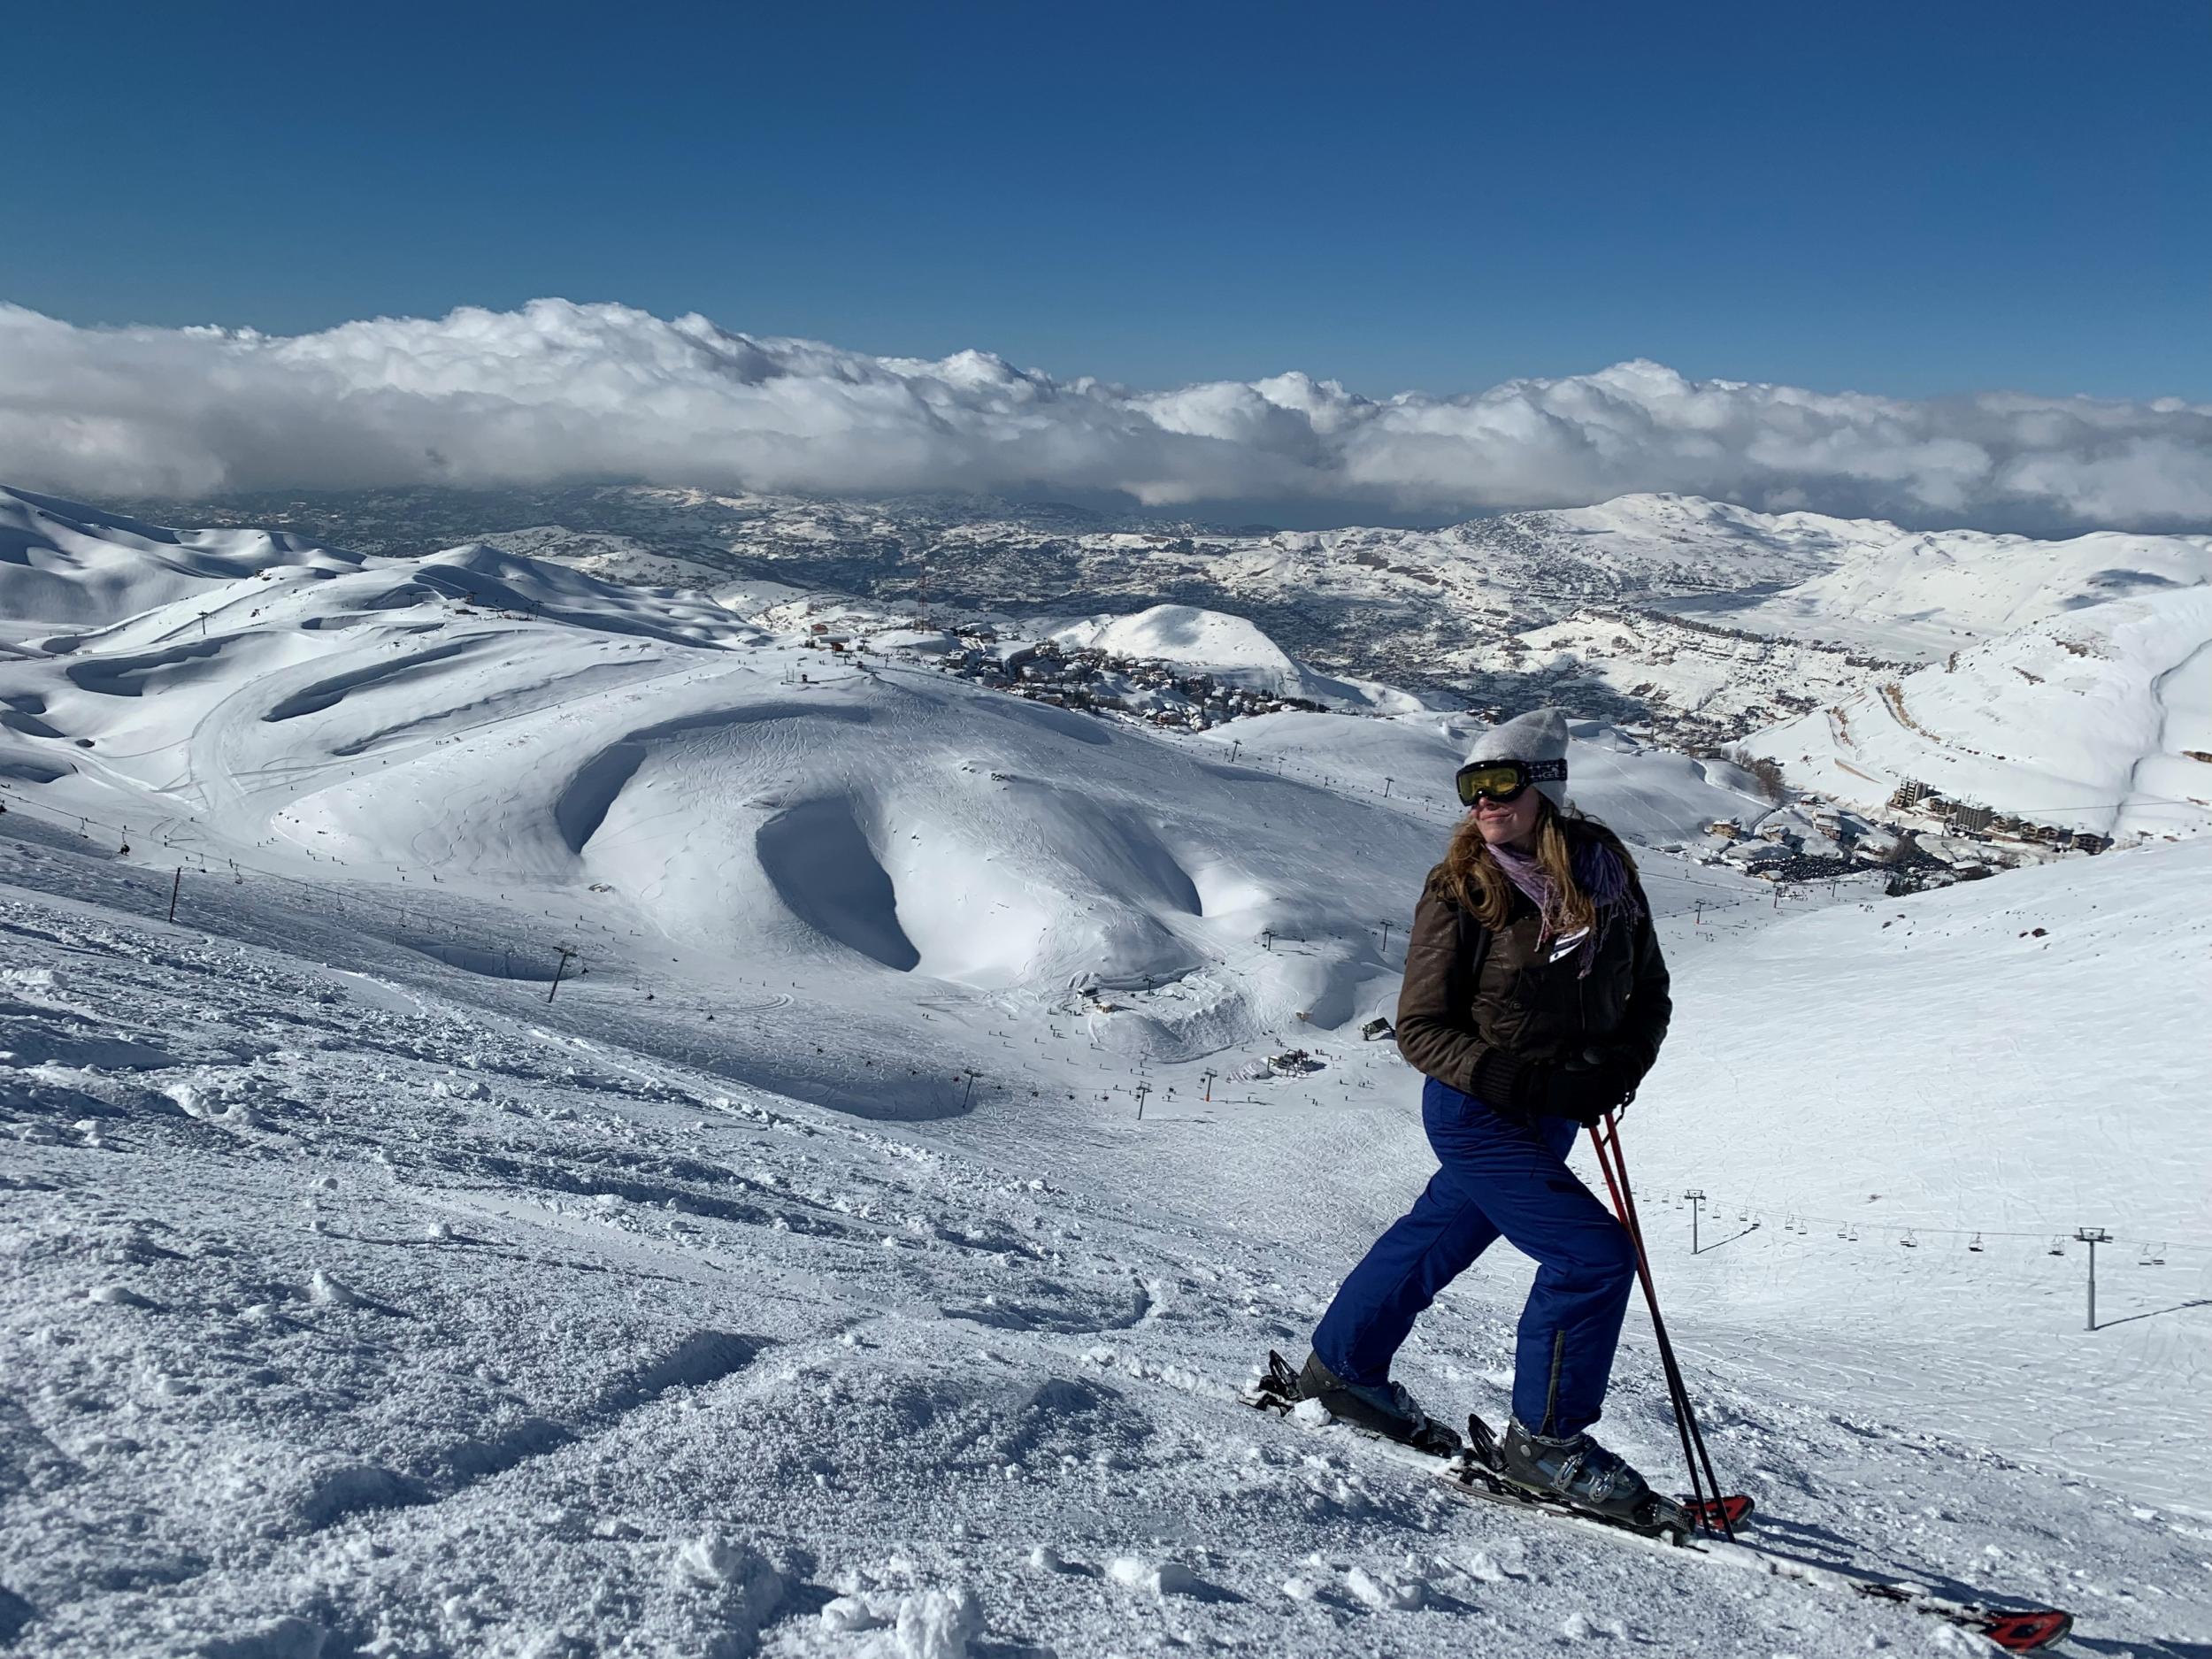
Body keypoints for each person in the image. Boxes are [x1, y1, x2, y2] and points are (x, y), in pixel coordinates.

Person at [1297, 708, 1672, 1522]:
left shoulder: (1604, 873)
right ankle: (1546, 1443)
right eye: (1470, 786)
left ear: (1545, 786)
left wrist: (1614, 1069)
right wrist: (1522, 1082)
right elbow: (1422, 1028)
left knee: (1437, 1235)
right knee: (1594, 1256)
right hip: (1477, 1111)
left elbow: (1649, 991)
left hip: (1556, 1113)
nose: (1481, 803)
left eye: (1498, 783)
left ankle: (1342, 1368)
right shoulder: (1463, 886)